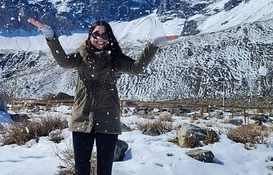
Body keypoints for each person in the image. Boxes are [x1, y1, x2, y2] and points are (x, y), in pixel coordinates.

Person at [28, 18, 178, 175]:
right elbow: (64, 62)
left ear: (109, 38)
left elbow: (136, 68)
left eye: (105, 35)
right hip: (82, 119)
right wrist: (50, 36)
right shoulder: (81, 56)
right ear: (90, 36)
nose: (100, 39)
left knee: (105, 170)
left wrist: (153, 45)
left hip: (108, 120)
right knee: (81, 169)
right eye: (96, 34)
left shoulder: (114, 58)